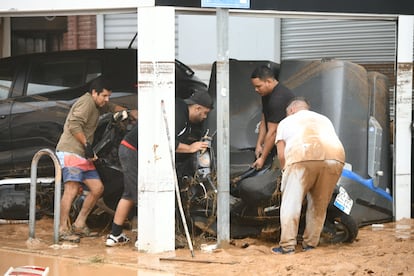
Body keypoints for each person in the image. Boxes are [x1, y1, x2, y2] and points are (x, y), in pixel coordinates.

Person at [56, 77, 131, 242]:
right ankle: (62, 228)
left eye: (108, 96)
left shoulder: (98, 104)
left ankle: (79, 224)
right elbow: (74, 124)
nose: (107, 99)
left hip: (83, 154)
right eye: (104, 95)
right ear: (94, 93)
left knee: (97, 189)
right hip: (71, 151)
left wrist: (128, 113)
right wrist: (87, 145)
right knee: (72, 189)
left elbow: (111, 107)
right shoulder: (86, 103)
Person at [271, 97, 345, 254]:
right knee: (319, 204)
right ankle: (310, 245)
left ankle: (287, 246)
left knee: (291, 203)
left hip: (302, 155)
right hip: (335, 158)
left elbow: (282, 156)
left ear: (291, 110)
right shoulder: (324, 119)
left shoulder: (286, 122)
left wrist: (285, 173)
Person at [250, 64, 295, 170]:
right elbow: (264, 121)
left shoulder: (278, 99)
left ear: (269, 82)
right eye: (255, 87)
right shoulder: (265, 95)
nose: (256, 90)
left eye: (258, 86)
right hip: (277, 142)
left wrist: (262, 158)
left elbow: (273, 132)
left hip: (289, 145)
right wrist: (259, 145)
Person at [105, 123, 138, 247]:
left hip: (128, 149)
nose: (204, 116)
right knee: (139, 193)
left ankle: (115, 234)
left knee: (129, 194)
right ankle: (142, 238)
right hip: (132, 150)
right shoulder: (172, 113)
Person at [175, 90, 214, 180]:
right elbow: (166, 142)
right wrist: (190, 148)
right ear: (197, 108)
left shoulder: (184, 114)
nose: (205, 117)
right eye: (205, 113)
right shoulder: (178, 115)